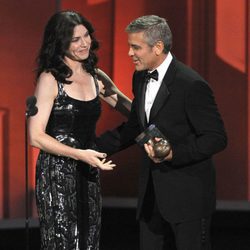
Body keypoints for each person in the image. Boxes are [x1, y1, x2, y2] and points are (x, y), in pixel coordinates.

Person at [96, 15, 227, 250]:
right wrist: (91, 148)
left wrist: (173, 154)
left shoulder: (191, 85)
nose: (129, 53)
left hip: (188, 198)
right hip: (151, 197)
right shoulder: (140, 77)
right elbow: (135, 127)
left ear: (158, 47)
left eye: (135, 47)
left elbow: (216, 138)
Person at [28, 10, 131, 250]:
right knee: (64, 241)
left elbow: (131, 110)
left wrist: (159, 119)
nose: (85, 43)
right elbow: (35, 136)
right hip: (57, 172)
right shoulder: (50, 79)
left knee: (89, 237)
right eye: (75, 40)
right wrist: (80, 154)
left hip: (88, 168)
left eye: (86, 36)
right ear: (59, 43)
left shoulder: (96, 76)